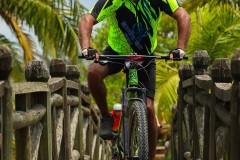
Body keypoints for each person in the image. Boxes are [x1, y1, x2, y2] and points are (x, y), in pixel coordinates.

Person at [78, 0, 191, 159]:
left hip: (145, 56)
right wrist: (85, 47)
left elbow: (183, 16)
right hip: (117, 53)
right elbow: (87, 19)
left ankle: (150, 157)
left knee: (149, 108)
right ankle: (105, 117)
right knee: (93, 73)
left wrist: (180, 48)